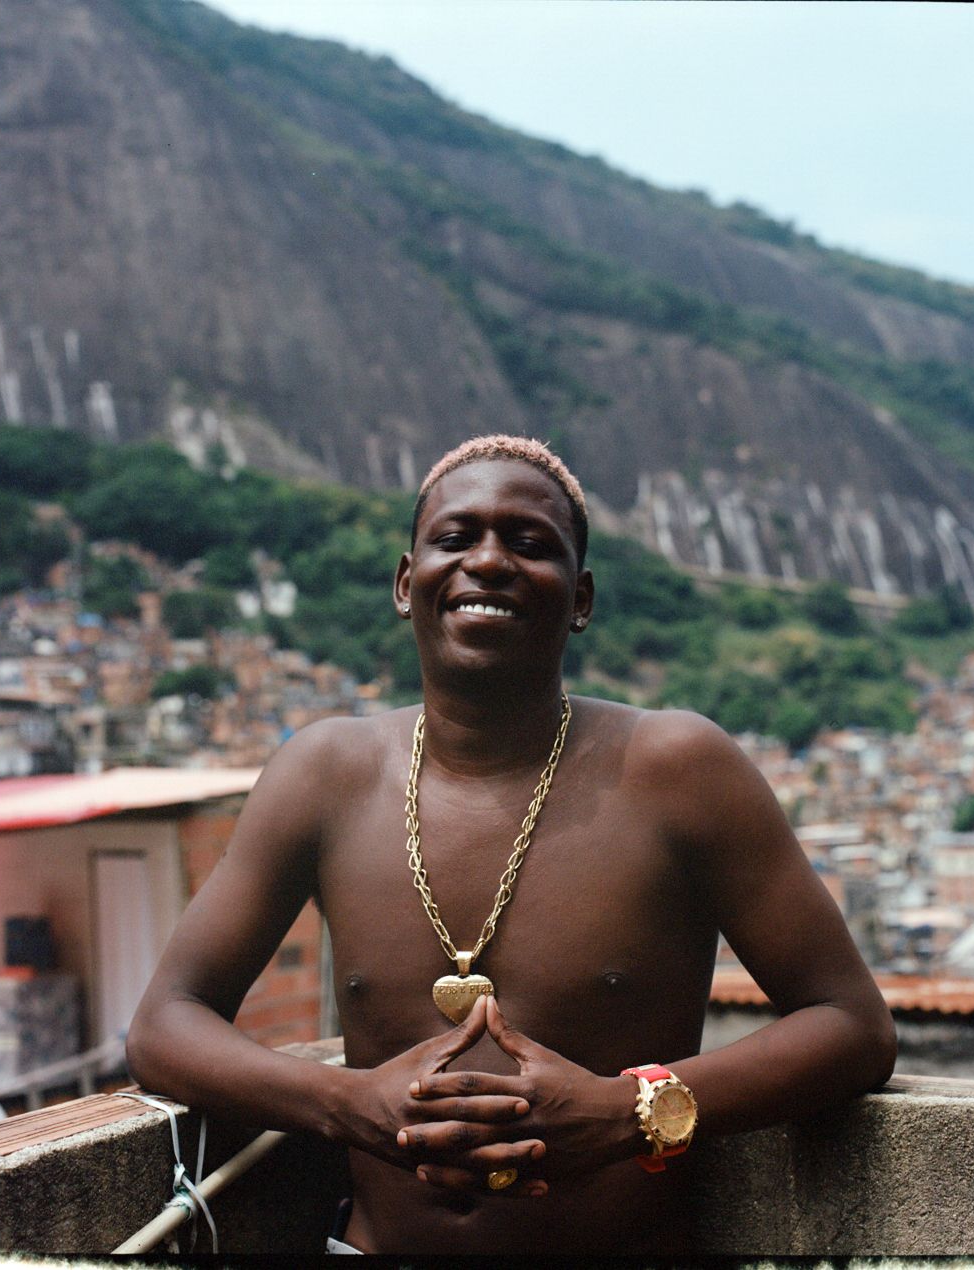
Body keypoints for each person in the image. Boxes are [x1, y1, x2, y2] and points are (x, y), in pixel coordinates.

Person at [127, 434, 897, 1255]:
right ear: (403, 581)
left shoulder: (678, 769)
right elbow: (164, 1027)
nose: (488, 563)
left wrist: (629, 1112)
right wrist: (349, 1103)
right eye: (456, 539)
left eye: (531, 545)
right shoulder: (324, 774)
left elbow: (851, 1027)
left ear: (581, 598)